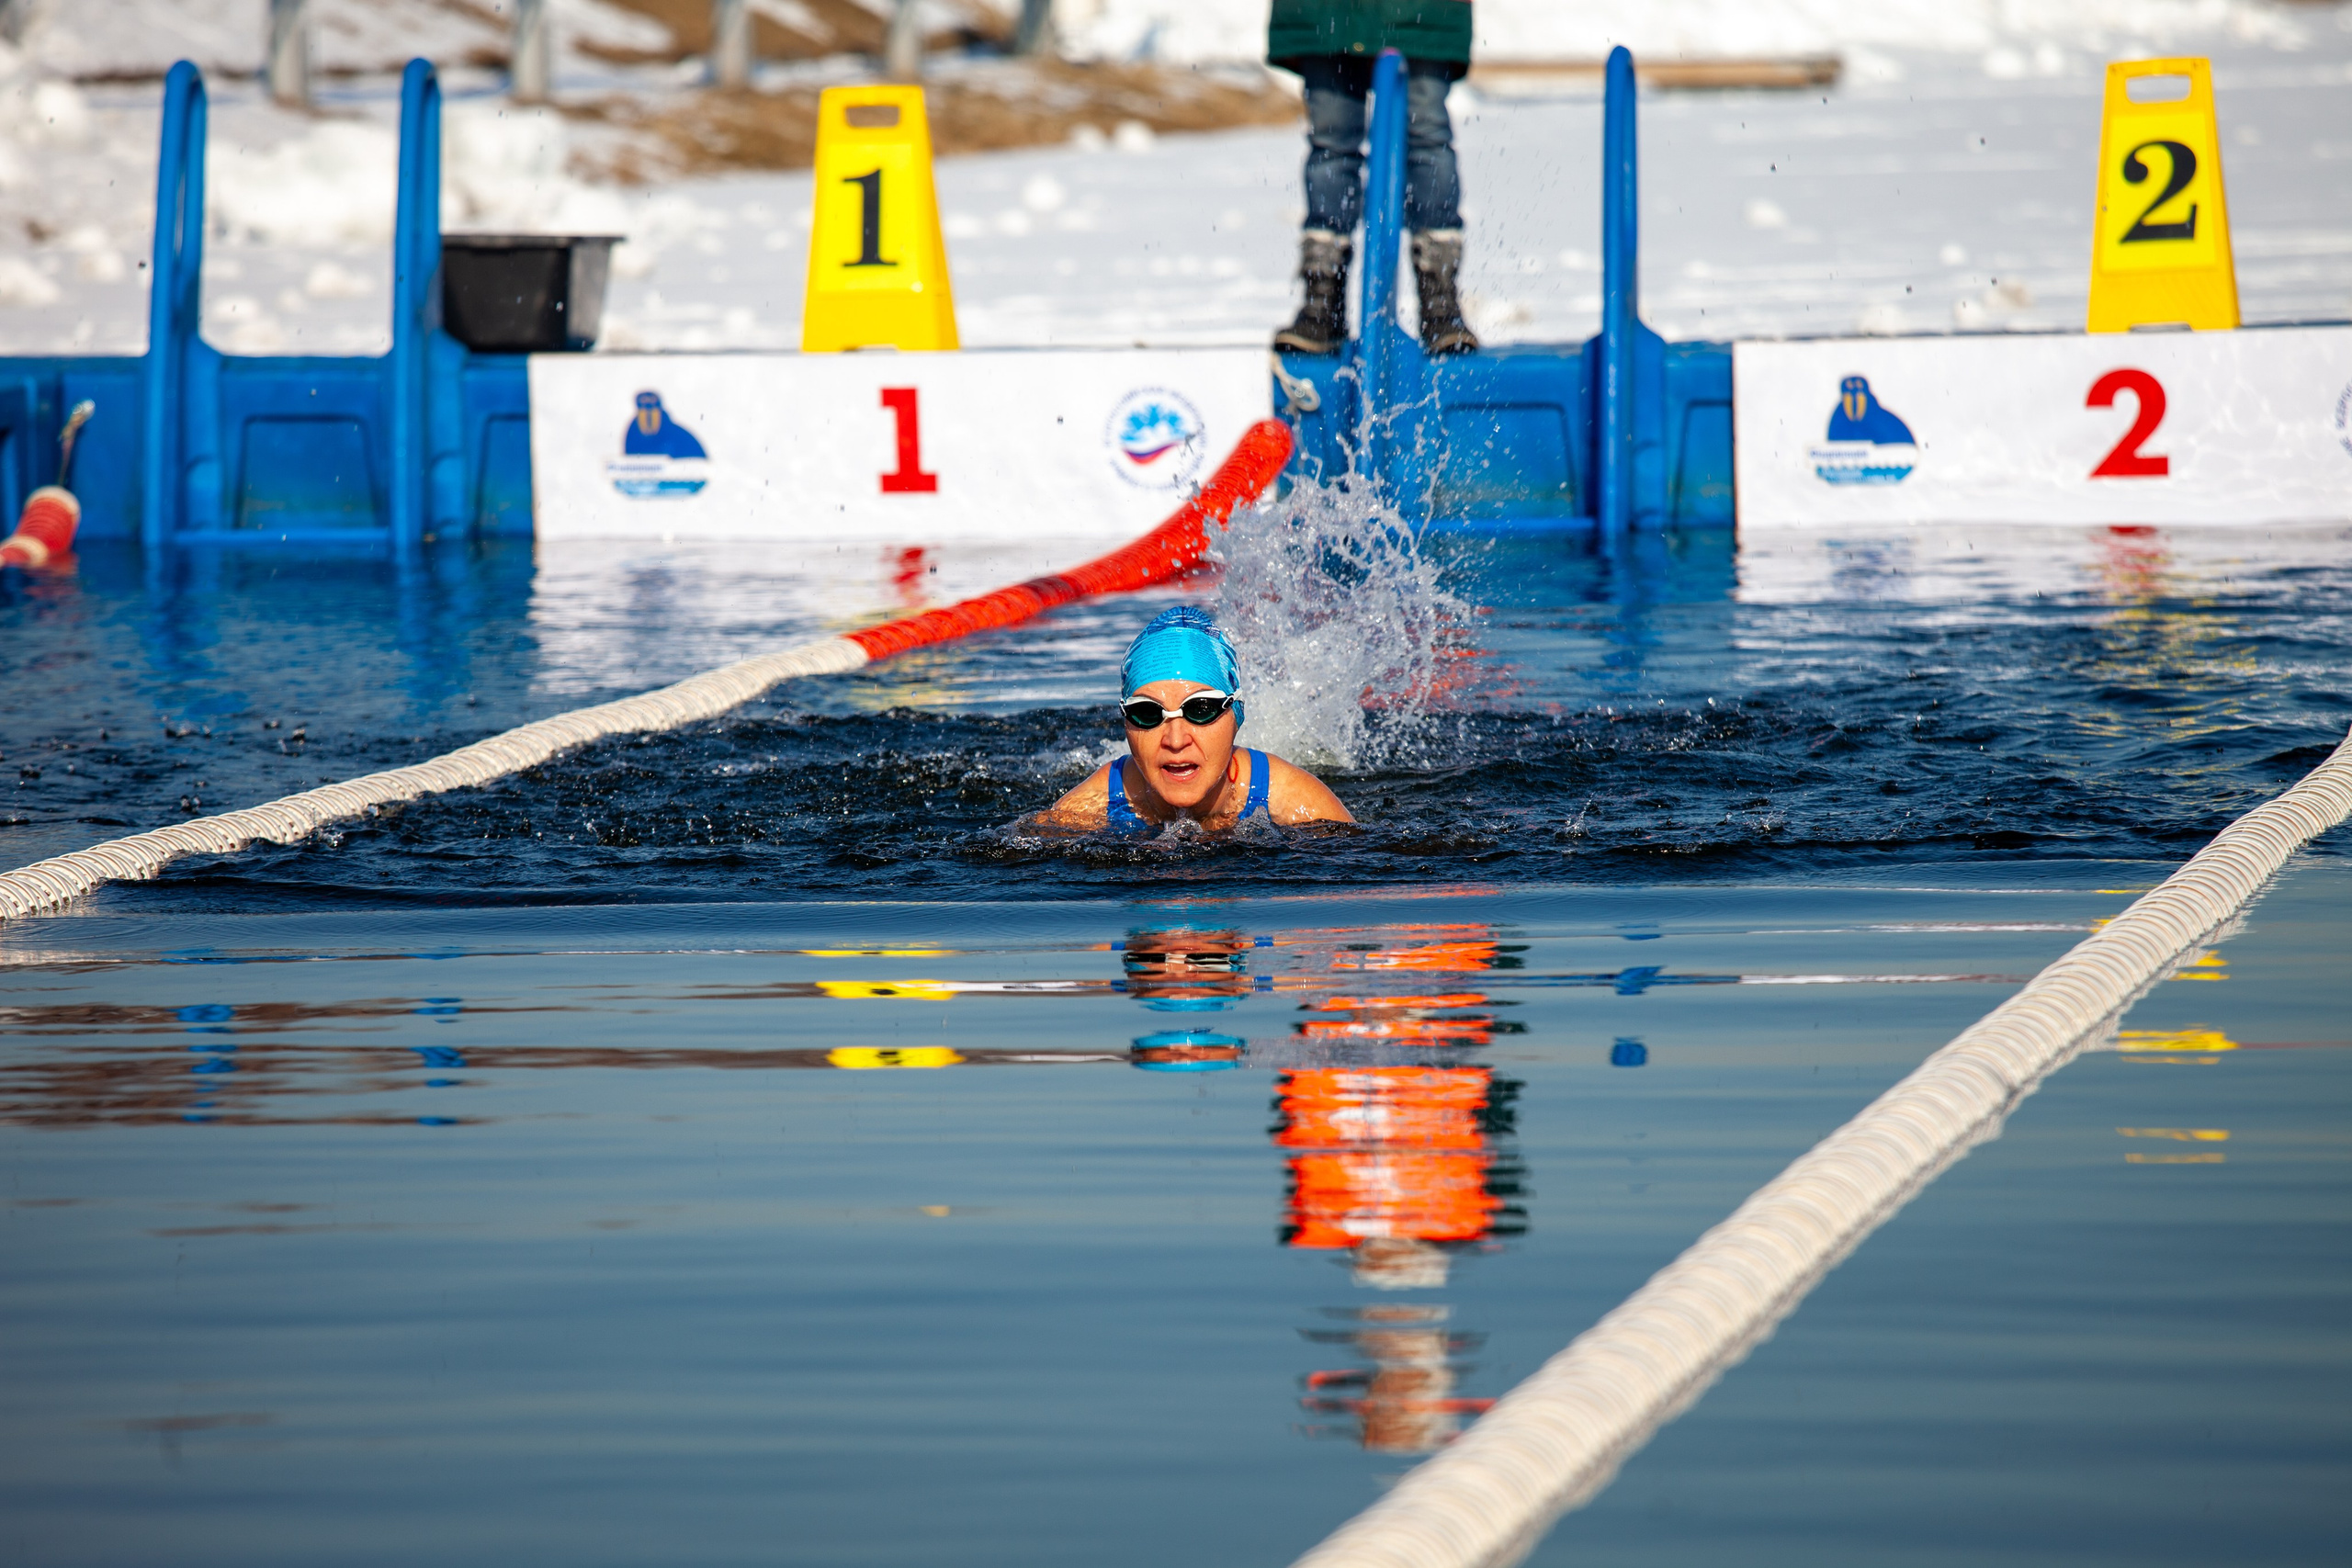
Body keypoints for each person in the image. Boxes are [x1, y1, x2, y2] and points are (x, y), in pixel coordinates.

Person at [1268, 0, 1478, 356]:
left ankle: (1439, 296)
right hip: (1325, 13)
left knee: (1426, 140)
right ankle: (1324, 296)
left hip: (1420, 15)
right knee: (1331, 145)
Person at [1041, 606, 1354, 832]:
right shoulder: (1088, 808)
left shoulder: (1297, 802)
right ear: (1126, 720)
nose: (1176, 740)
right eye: (1147, 713)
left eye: (1200, 709)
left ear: (1236, 714)